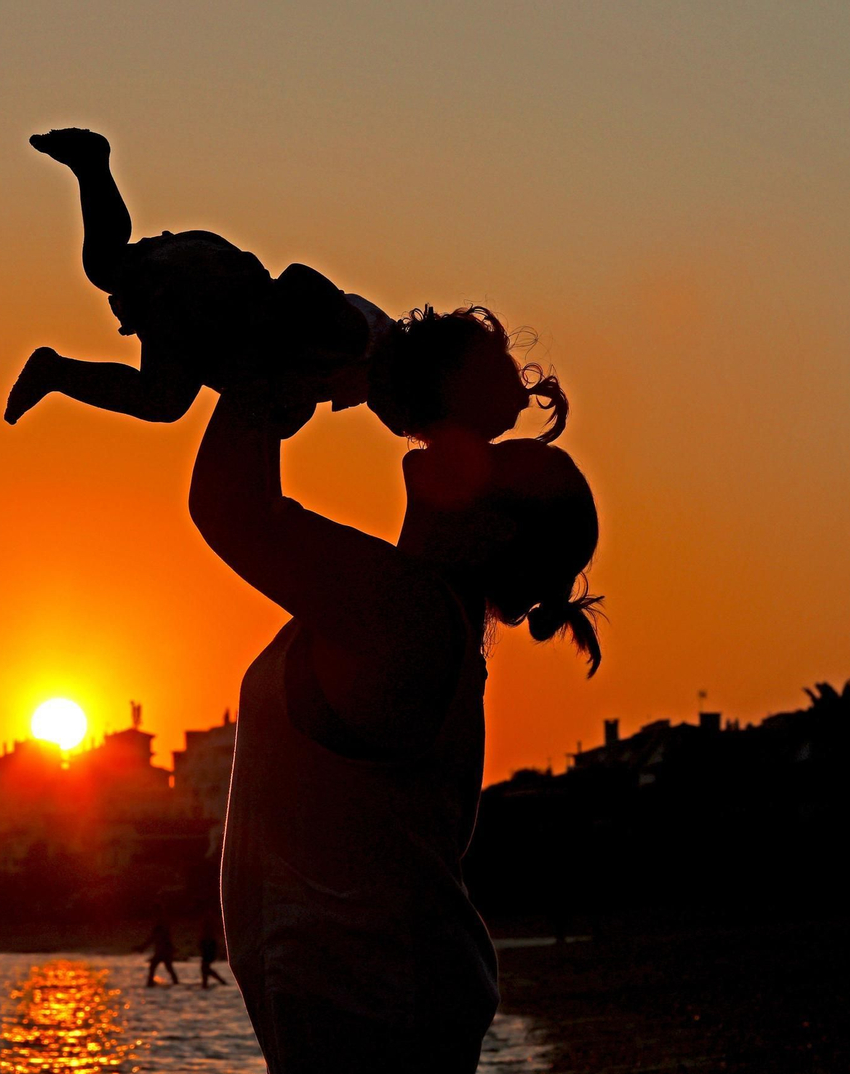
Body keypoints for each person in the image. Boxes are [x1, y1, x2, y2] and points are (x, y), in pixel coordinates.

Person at [189, 306, 601, 1073]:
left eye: (501, 464)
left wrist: (270, 359)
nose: (478, 448)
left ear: (494, 536)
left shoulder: (405, 615)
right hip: (381, 998)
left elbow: (231, 508)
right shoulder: (418, 615)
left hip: (378, 1002)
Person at [4, 127, 391, 432]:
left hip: (204, 273)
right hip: (204, 288)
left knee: (106, 265)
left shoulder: (358, 339)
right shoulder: (354, 336)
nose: (352, 405)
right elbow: (298, 280)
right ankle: (53, 371)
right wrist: (270, 358)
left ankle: (91, 165)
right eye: (365, 399)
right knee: (163, 399)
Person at [137, 919, 179, 987]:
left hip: (162, 954)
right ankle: (175, 982)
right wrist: (142, 948)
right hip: (163, 954)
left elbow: (150, 941)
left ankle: (150, 982)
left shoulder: (161, 933)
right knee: (166, 968)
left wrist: (142, 948)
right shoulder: (163, 933)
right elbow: (149, 941)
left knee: (156, 967)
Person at [200, 922, 230, 989]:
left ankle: (206, 984)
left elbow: (212, 945)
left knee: (205, 968)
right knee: (205, 968)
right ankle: (206, 983)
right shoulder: (208, 935)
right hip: (207, 952)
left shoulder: (209, 936)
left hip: (208, 953)